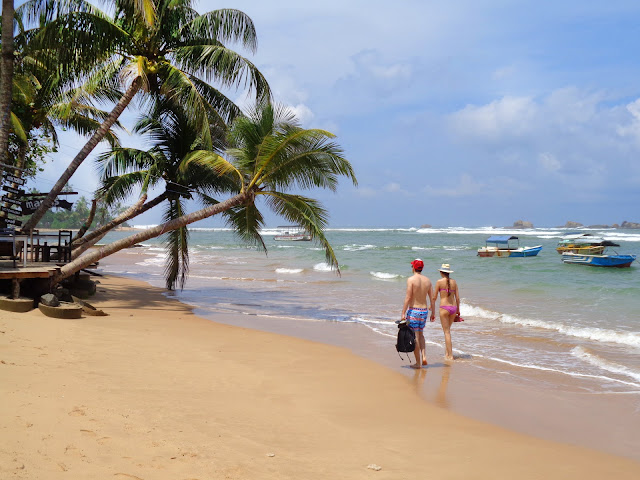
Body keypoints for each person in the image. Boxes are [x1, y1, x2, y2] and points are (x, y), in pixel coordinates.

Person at [401, 259, 435, 369]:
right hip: (424, 311)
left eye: (412, 266)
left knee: (414, 337)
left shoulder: (411, 280)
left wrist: (403, 312)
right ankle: (424, 356)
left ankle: (418, 363)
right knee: (421, 334)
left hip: (414, 311)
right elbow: (432, 299)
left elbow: (408, 297)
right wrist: (433, 312)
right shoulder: (428, 280)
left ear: (414, 268)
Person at [434, 263, 460, 360]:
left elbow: (434, 297)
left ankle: (450, 355)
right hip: (453, 308)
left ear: (441, 272)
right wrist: (458, 311)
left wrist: (431, 306)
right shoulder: (454, 282)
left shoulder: (439, 282)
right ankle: (447, 353)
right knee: (448, 331)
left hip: (444, 308)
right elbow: (457, 298)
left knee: (446, 332)